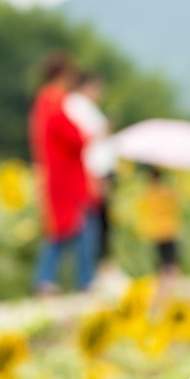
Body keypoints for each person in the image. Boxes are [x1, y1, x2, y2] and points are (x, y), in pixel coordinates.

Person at [29, 52, 95, 294]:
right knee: (75, 227)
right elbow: (72, 135)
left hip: (55, 172)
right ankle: (81, 280)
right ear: (63, 74)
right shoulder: (54, 100)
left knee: (60, 228)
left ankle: (47, 279)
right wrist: (87, 135)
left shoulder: (43, 100)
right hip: (64, 175)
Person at [63, 73, 116, 271]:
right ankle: (92, 271)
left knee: (100, 223)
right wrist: (97, 177)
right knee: (93, 223)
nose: (99, 93)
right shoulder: (76, 106)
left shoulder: (87, 108)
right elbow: (85, 143)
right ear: (86, 86)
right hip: (92, 173)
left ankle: (95, 269)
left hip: (96, 171)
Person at [137, 166, 181, 290]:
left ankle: (163, 286)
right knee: (171, 261)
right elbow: (179, 199)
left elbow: (143, 210)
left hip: (156, 232)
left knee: (161, 262)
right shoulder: (167, 191)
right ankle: (171, 285)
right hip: (169, 230)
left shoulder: (148, 193)